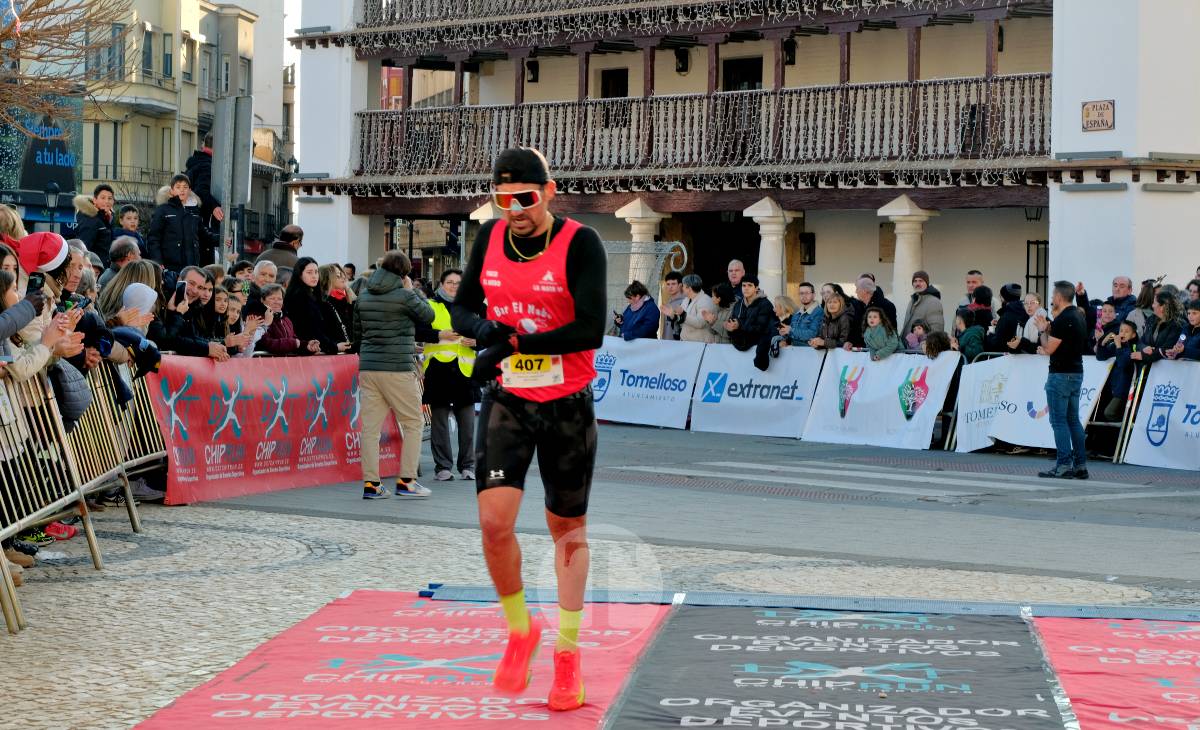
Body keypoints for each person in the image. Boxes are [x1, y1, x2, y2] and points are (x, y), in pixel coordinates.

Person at [448, 147, 607, 712]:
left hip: (567, 403)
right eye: (502, 198)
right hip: (510, 399)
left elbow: (590, 330)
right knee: (494, 525)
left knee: (567, 529)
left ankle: (568, 656)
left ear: (549, 191)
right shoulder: (489, 238)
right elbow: (462, 308)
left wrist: (515, 343)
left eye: (525, 198)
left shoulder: (580, 243)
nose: (513, 208)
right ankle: (521, 630)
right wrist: (486, 327)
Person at [354, 250, 435, 499]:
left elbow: (357, 333)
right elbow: (428, 316)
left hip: (369, 367)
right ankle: (407, 481)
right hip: (397, 367)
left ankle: (371, 484)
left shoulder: (364, 295)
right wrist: (410, 291)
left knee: (370, 429)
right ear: (404, 273)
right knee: (413, 423)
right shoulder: (403, 296)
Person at [414, 268, 478, 482]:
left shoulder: (472, 307)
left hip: (465, 371)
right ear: (441, 284)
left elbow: (489, 331)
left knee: (467, 423)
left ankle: (467, 466)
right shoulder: (430, 306)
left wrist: (479, 342)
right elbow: (418, 331)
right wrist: (440, 334)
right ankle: (443, 466)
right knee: (439, 423)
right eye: (449, 282)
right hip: (438, 371)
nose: (454, 286)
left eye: (458, 283)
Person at [1034, 281, 1090, 480]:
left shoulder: (1063, 319)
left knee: (1059, 421)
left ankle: (1063, 465)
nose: (1051, 300)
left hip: (1060, 374)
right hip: (1076, 372)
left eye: (1052, 296)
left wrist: (1043, 330)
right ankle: (1080, 465)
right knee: (1073, 420)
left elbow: (1048, 349)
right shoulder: (1079, 316)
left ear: (1059, 297)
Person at [147, 175, 218, 272]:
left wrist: (222, 239)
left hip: (192, 266)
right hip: (169, 267)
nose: (182, 190)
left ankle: (246, 287)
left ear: (189, 190)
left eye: (185, 187)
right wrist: (158, 261)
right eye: (178, 187)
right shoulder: (163, 210)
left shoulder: (194, 212)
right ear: (171, 191)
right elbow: (153, 238)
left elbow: (204, 236)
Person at [284, 257, 345, 355]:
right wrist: (334, 346)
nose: (314, 276)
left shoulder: (313, 296)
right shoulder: (297, 297)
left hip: (315, 349)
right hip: (306, 351)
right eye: (309, 272)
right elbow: (310, 329)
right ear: (299, 274)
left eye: (316, 272)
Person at [1095, 319, 1140, 421]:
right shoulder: (1116, 346)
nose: (1122, 333)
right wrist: (1103, 342)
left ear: (1133, 335)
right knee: (1100, 414)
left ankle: (1126, 424)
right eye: (1121, 331)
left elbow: (1123, 363)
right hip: (1112, 387)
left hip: (1123, 390)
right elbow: (1100, 357)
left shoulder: (1133, 347)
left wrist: (1119, 346)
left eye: (1126, 331)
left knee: (1109, 413)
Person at [727, 275, 777, 357]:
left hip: (758, 351)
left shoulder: (765, 304)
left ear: (756, 288)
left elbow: (761, 328)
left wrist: (739, 325)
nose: (746, 288)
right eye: (744, 285)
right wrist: (730, 328)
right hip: (738, 348)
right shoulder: (738, 304)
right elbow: (732, 324)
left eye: (750, 285)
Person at [184, 132, 225, 228]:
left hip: (192, 219)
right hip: (203, 220)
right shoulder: (208, 166)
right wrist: (214, 206)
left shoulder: (196, 163)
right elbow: (201, 190)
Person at [1132, 291, 1185, 364]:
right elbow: (1140, 341)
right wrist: (1144, 348)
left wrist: (1144, 356)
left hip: (1166, 369)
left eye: (1154, 303)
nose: (1152, 305)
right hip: (1148, 368)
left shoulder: (1177, 325)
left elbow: (1168, 349)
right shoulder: (1150, 320)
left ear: (1162, 307)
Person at [72, 184, 116, 266]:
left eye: (110, 198)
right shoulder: (90, 218)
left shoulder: (106, 218)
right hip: (93, 268)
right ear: (95, 200)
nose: (107, 201)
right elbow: (84, 248)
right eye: (103, 198)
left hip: (103, 267)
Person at [849, 277, 897, 348]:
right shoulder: (859, 305)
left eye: (857, 289)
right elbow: (856, 327)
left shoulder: (886, 306)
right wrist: (850, 341)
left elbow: (890, 329)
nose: (856, 291)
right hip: (863, 350)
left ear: (865, 290)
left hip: (880, 350)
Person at [318, 263, 355, 348]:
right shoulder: (323, 304)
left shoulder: (344, 301)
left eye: (342, 274)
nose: (343, 278)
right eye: (338, 276)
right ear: (328, 279)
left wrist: (349, 294)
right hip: (334, 353)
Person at [901, 270, 945, 335]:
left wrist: (924, 344)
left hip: (922, 344)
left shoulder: (933, 302)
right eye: (915, 281)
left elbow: (936, 330)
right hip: (909, 344)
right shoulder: (912, 301)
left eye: (921, 281)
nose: (917, 284)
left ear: (926, 283)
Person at [987, 284, 1027, 353]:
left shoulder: (1006, 316)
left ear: (1004, 297)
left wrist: (990, 334)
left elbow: (997, 342)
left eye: (1000, 295)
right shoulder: (1026, 312)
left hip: (1007, 357)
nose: (1000, 297)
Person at [678, 274, 716, 343]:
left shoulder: (705, 300)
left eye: (683, 286)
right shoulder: (686, 299)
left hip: (699, 344)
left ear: (689, 288)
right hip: (686, 341)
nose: (682, 288)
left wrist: (683, 314)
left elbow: (700, 323)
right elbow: (681, 320)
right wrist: (673, 315)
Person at [660, 271, 686, 340]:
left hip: (678, 343)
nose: (670, 287)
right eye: (668, 284)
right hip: (667, 342)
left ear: (680, 285)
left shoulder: (685, 302)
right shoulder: (668, 303)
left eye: (673, 284)